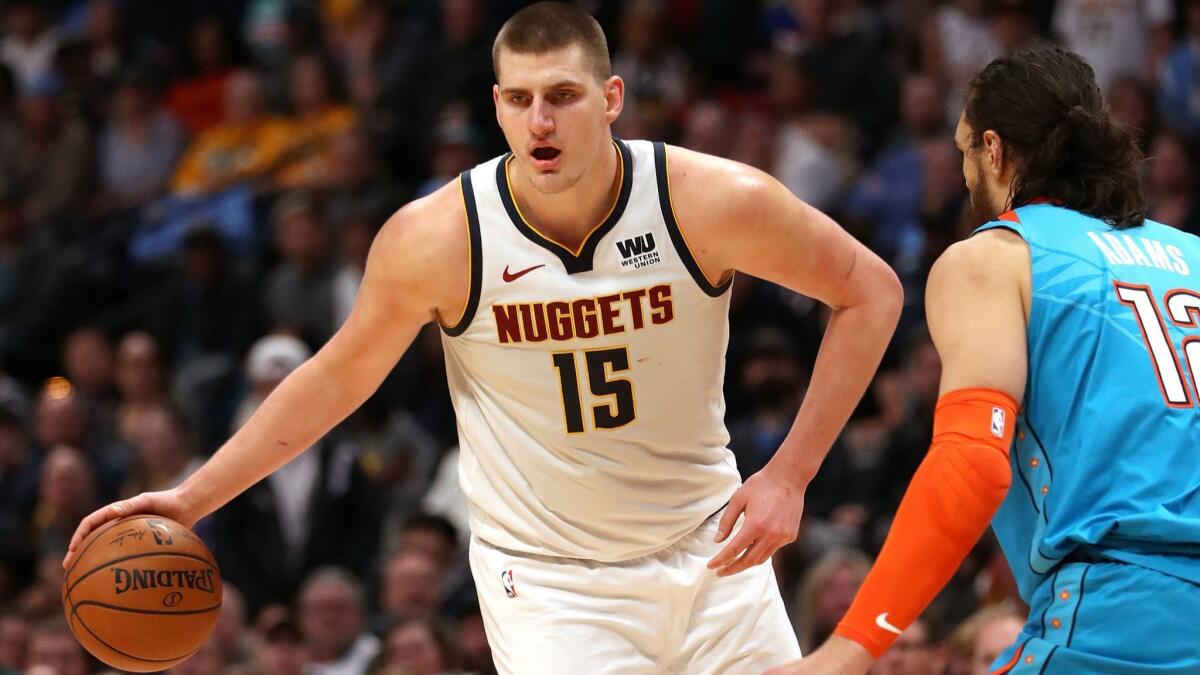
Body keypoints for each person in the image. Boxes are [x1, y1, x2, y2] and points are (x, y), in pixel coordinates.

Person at [64, 3, 902, 672]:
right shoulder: (439, 237)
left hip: (715, 549)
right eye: (518, 98)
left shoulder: (710, 201)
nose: (541, 120)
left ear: (611, 98)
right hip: (551, 585)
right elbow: (338, 376)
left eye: (563, 96)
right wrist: (190, 498)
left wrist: (792, 471)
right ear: (495, 104)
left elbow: (871, 291)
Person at [770, 47, 1200, 674]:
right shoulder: (1191, 255)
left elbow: (973, 463)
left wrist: (849, 647)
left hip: (1124, 612)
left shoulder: (996, 257)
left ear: (993, 149)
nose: (966, 174)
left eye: (963, 150)